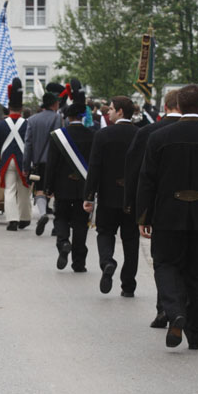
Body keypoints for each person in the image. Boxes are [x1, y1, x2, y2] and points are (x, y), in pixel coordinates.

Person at [137, 84, 198, 349]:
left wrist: (144, 216)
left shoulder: (159, 137)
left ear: (178, 105)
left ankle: (175, 310)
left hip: (168, 213)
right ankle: (197, 334)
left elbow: (147, 179)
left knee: (165, 264)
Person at [123, 89, 181, 328]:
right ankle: (182, 309)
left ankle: (165, 308)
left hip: (160, 207)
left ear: (165, 107)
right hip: (197, 210)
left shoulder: (148, 132)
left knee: (164, 260)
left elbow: (136, 173)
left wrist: (138, 210)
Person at [83, 95, 139, 296]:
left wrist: (89, 196)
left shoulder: (103, 135)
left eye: (112, 109)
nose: (109, 112)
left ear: (121, 111)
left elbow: (95, 167)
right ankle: (128, 285)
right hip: (132, 197)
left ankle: (107, 261)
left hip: (107, 195)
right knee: (131, 240)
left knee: (105, 233)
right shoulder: (140, 134)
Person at [45, 79, 94, 271]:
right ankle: (79, 263)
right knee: (81, 224)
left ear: (68, 117)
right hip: (84, 188)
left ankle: (64, 242)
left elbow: (51, 165)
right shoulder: (93, 135)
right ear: (83, 116)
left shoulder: (58, 136)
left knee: (61, 218)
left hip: (62, 186)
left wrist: (48, 187)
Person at [0, 78, 32, 231]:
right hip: (23, 160)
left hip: (7, 161)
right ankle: (24, 218)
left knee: (9, 190)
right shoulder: (27, 124)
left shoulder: (0, 124)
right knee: (24, 189)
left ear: (9, 108)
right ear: (21, 108)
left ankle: (12, 219)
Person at [23, 82, 64, 236]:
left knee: (39, 189)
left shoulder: (32, 120)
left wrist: (26, 166)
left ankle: (42, 214)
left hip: (38, 162)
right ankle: (57, 224)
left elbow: (28, 145)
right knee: (56, 191)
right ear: (54, 104)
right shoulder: (58, 118)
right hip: (56, 162)